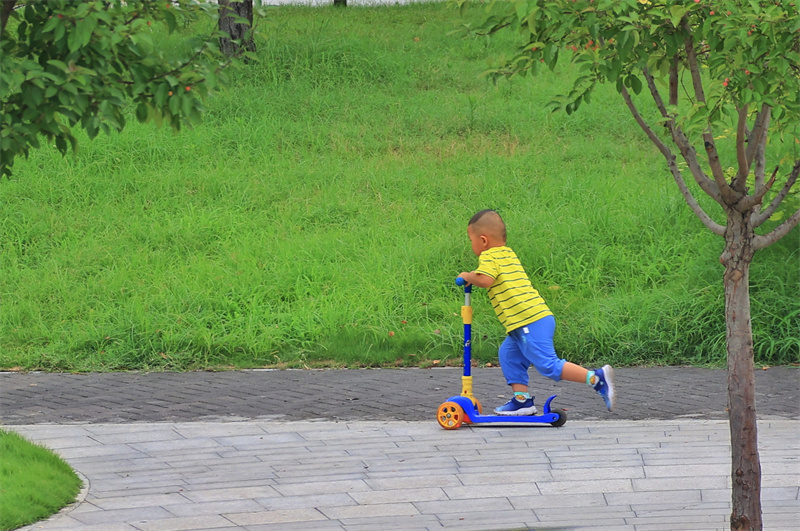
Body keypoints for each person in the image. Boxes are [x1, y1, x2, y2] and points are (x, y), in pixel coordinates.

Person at [457, 209, 616, 415]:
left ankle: (595, 378)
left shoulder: (489, 256)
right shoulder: (508, 253)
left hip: (528, 321)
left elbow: (486, 280)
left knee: (548, 365)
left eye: (471, 240)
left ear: (483, 240)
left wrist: (468, 276)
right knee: (508, 355)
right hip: (531, 320)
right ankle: (522, 401)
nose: (471, 246)